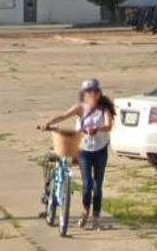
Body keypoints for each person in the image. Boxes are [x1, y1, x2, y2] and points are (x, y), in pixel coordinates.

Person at [41, 78, 114, 230]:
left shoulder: (104, 108)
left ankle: (96, 217)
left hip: (100, 149)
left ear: (99, 93)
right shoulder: (80, 108)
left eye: (95, 91)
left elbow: (109, 125)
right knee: (87, 184)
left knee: (98, 184)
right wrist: (48, 122)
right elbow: (63, 116)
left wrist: (97, 129)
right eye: (89, 92)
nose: (92, 94)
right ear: (84, 94)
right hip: (84, 150)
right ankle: (85, 210)